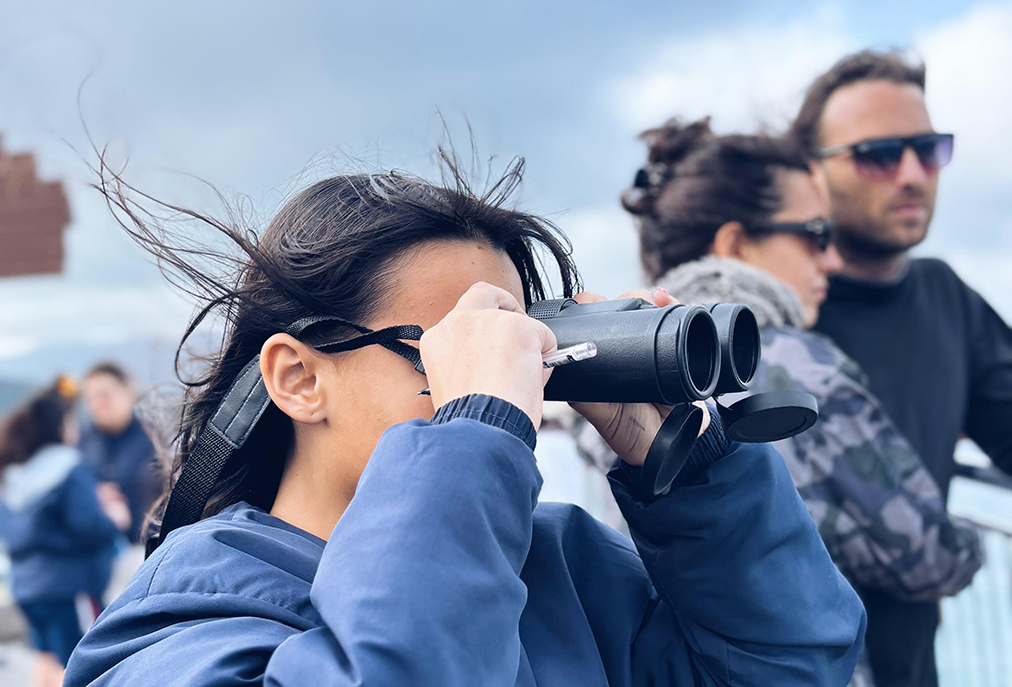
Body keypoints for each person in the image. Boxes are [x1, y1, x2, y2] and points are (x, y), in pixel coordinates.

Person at [64, 156, 864, 686]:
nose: (500, 376)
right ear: (299, 378)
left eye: (516, 346)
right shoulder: (178, 626)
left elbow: (790, 667)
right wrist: (475, 426)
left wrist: (692, 476)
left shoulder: (565, 565)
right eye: (451, 347)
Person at [573, 118, 984, 686]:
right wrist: (966, 537)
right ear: (736, 244)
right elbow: (929, 556)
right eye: (817, 235)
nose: (831, 260)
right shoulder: (804, 365)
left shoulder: (626, 372)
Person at [790, 50, 1012, 687]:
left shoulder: (947, 297)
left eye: (929, 150)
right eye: (879, 154)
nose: (913, 174)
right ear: (811, 171)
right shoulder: (772, 319)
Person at [0, 377, 129, 687]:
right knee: (81, 666)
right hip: (70, 587)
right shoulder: (67, 466)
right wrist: (116, 518)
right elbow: (89, 527)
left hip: (28, 587)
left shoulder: (14, 472)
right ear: (58, 427)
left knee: (45, 659)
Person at [79, 362, 162, 546]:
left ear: (128, 391)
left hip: (144, 545)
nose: (97, 404)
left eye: (104, 395)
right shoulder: (80, 442)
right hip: (94, 549)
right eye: (91, 398)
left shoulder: (155, 440)